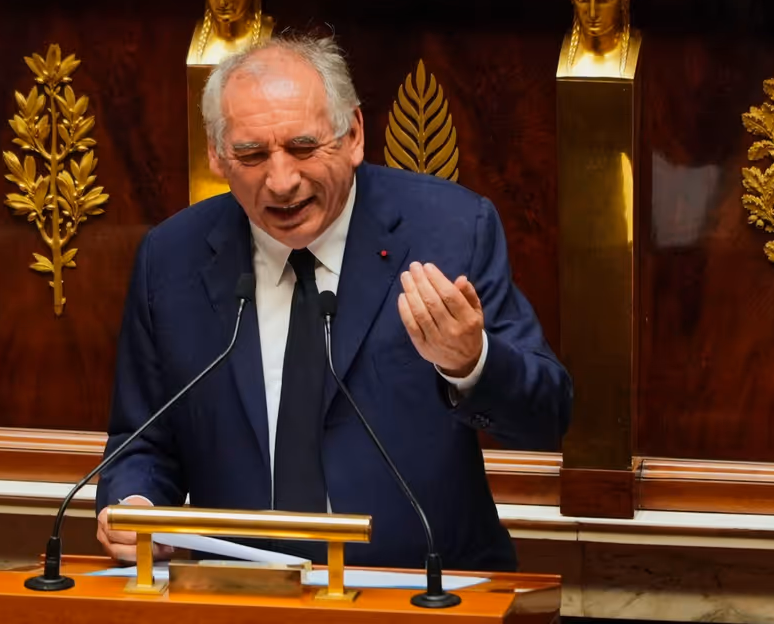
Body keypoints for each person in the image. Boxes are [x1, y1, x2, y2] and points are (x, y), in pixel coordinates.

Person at [95, 35, 572, 571]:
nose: (281, 182)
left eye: (303, 148)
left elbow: (545, 417)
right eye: (252, 155)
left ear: (353, 135)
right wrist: (136, 505)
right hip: (241, 595)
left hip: (424, 591)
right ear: (217, 155)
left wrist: (471, 363)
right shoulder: (171, 259)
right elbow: (141, 441)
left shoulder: (450, 231)